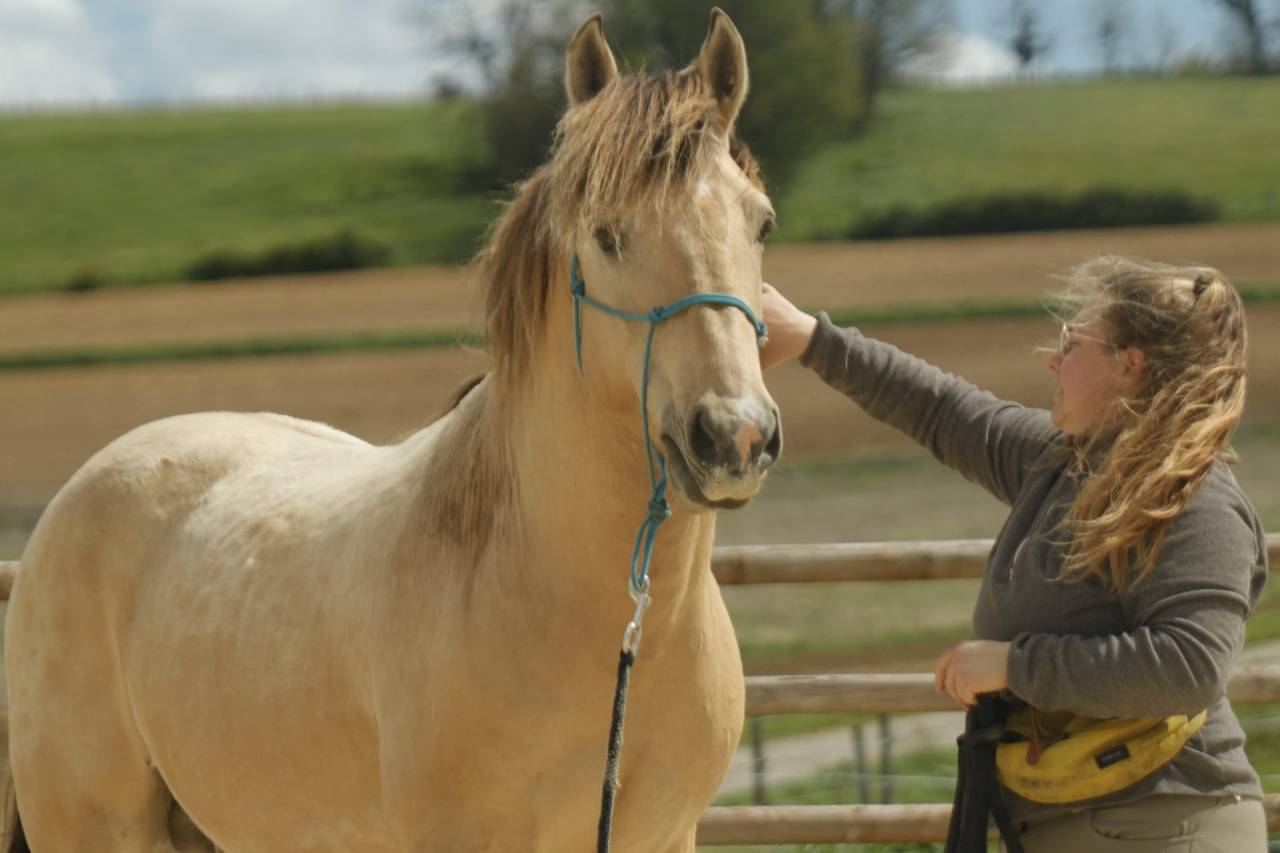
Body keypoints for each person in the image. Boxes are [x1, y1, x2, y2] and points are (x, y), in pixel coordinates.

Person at [759, 256, 1269, 852]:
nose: (1054, 359)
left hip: (1167, 825)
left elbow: (1189, 667)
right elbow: (942, 409)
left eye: (1073, 343)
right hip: (1088, 823)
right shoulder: (1063, 463)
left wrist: (1013, 665)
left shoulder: (1197, 502)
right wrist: (811, 339)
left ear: (1131, 366)